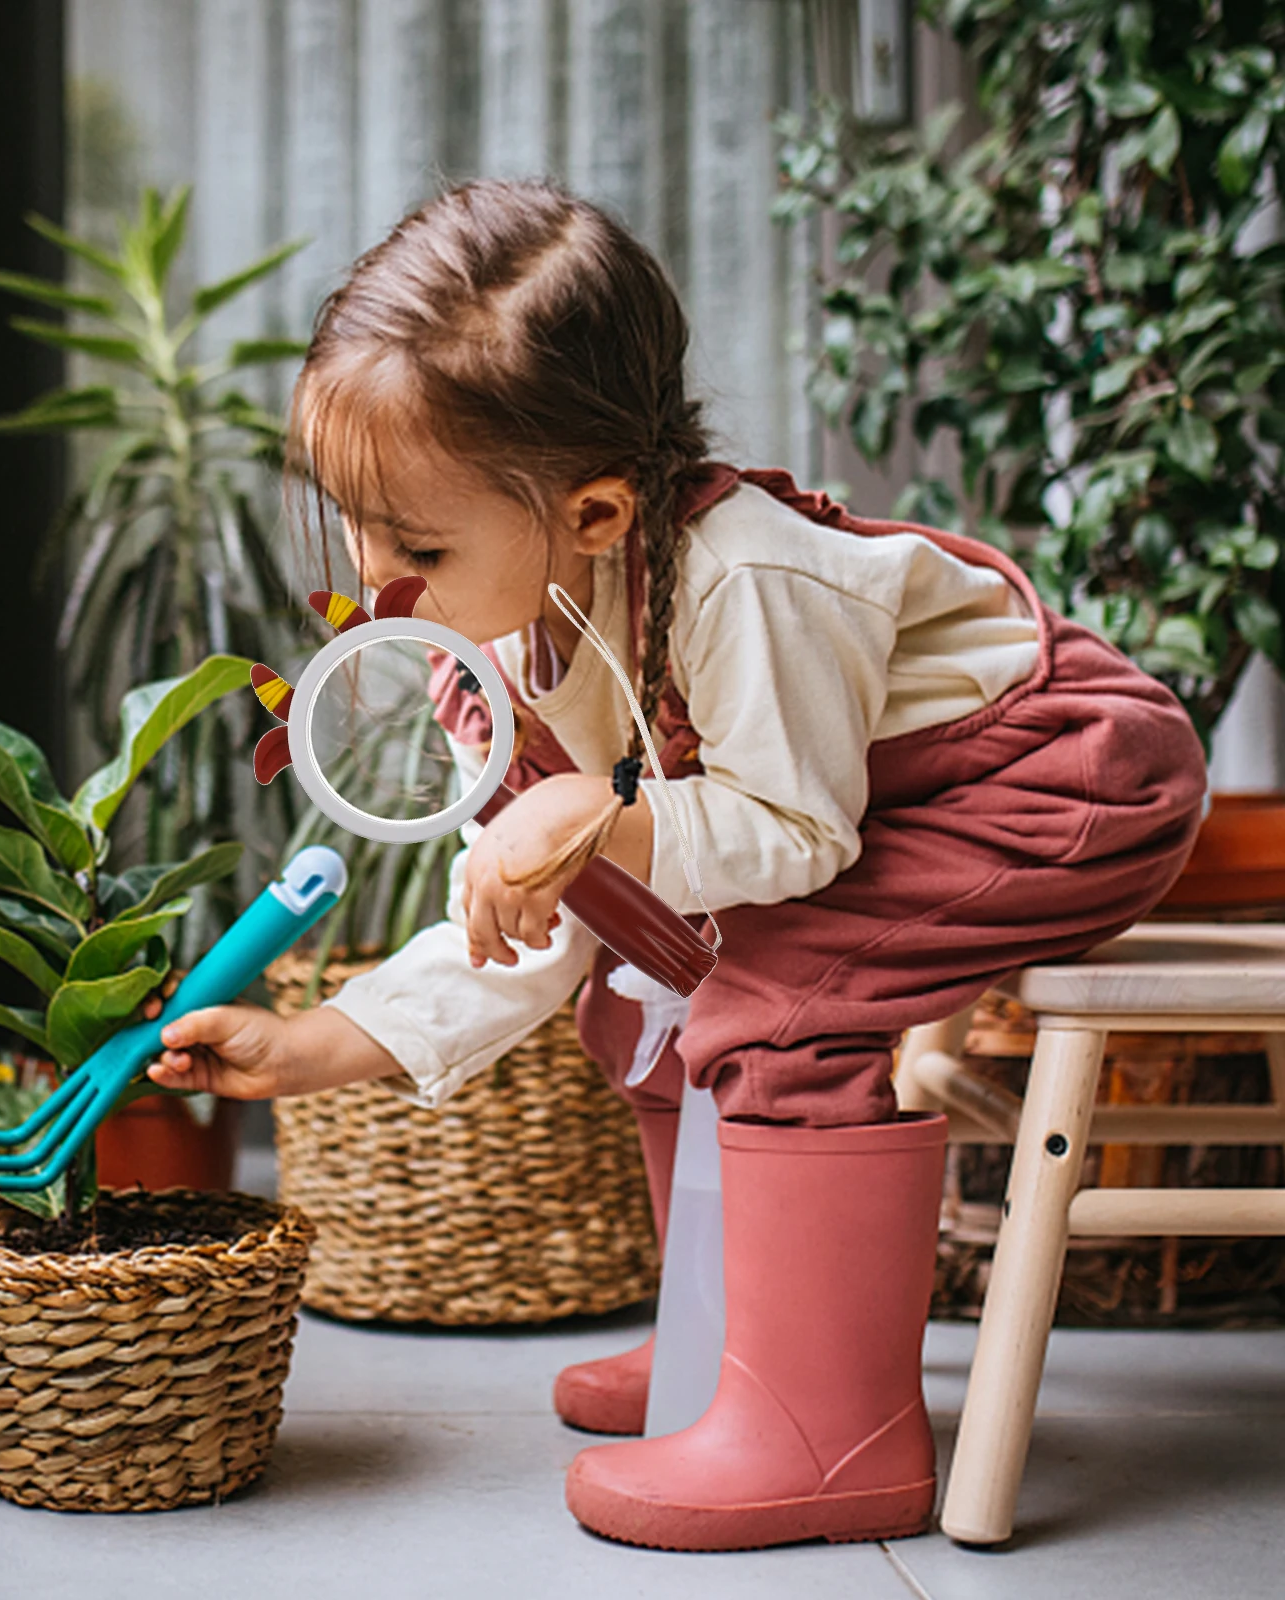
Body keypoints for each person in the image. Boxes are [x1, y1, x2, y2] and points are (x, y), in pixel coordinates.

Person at [146, 178, 1206, 1551]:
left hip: (1050, 780)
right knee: (641, 992)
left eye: (419, 544)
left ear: (594, 514)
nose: (378, 576)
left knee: (782, 998)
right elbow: (544, 924)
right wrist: (322, 1044)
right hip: (874, 809)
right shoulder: (498, 646)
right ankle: (724, 1340)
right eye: (354, 522)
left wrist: (598, 813)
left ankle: (830, 1434)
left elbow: (796, 832)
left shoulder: (743, 581)